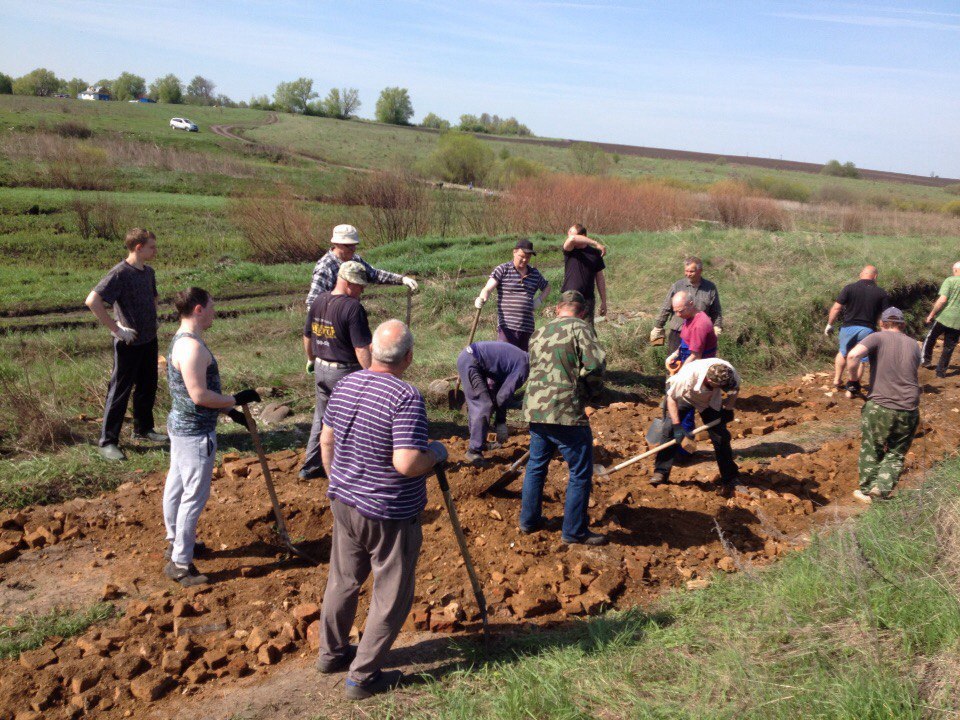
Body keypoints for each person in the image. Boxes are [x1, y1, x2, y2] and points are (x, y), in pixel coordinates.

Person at [316, 320, 447, 700]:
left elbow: (327, 440)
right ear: (408, 357)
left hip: (344, 503)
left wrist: (340, 482)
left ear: (372, 350)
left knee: (343, 580)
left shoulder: (345, 384)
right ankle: (362, 677)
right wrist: (437, 452)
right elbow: (407, 463)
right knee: (392, 594)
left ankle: (331, 653)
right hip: (389, 513)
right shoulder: (405, 397)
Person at [162, 287, 261, 586]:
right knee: (194, 495)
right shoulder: (191, 348)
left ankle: (176, 541)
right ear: (198, 309)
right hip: (195, 434)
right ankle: (180, 563)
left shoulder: (181, 341)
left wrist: (229, 413)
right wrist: (233, 399)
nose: (215, 311)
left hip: (182, 426)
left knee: (176, 485)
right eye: (211, 306)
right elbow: (199, 395)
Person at [519, 291, 607, 545]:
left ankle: (529, 520)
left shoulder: (539, 332)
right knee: (580, 471)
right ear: (581, 312)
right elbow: (594, 365)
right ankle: (574, 531)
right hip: (565, 408)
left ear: (558, 309)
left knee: (536, 465)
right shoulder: (581, 328)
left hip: (536, 408)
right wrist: (591, 395)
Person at [85, 228, 165, 461]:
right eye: (152, 247)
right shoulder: (120, 273)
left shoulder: (148, 272)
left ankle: (143, 429)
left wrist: (154, 318)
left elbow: (153, 298)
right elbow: (93, 301)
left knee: (147, 386)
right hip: (128, 343)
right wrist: (116, 329)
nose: (155, 250)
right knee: (119, 391)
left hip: (149, 339)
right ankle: (108, 441)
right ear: (138, 248)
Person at [300, 261, 373, 481]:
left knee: (321, 418)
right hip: (345, 372)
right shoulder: (353, 308)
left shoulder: (319, 300)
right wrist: (372, 374)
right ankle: (354, 468)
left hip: (322, 368)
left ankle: (311, 466)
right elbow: (361, 348)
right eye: (360, 286)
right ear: (348, 282)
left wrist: (311, 359)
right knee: (354, 420)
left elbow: (307, 336)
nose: (362, 290)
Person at [846, 307, 921, 503]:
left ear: (882, 323)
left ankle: (867, 490)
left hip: (881, 405)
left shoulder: (877, 337)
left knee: (872, 448)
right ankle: (882, 487)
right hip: (909, 408)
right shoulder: (914, 344)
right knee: (896, 453)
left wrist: (853, 381)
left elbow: (853, 356)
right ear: (903, 325)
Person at [651, 358, 741, 493]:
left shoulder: (730, 374)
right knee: (669, 429)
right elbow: (672, 398)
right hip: (685, 396)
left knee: (721, 437)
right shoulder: (686, 377)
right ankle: (661, 472)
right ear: (709, 380)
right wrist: (677, 426)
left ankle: (730, 477)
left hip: (710, 401)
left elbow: (734, 390)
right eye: (719, 387)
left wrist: (728, 409)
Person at [305, 224, 419, 308]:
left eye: (355, 245)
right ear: (336, 244)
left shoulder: (355, 260)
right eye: (349, 246)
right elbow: (313, 302)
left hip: (351, 315)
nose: (353, 249)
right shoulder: (325, 267)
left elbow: (374, 274)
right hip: (333, 323)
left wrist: (401, 279)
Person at [456, 341, 530, 465]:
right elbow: (502, 397)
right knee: (483, 405)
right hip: (471, 360)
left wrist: (499, 421)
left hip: (471, 359)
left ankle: (479, 441)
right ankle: (473, 451)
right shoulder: (523, 368)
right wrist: (501, 423)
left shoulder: (521, 359)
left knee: (482, 403)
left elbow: (500, 393)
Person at [824, 265, 890, 397]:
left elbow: (836, 308)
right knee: (860, 358)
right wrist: (885, 333)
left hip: (848, 327)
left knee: (843, 352)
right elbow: (885, 316)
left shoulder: (849, 288)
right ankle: (851, 390)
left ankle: (837, 380)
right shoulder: (881, 293)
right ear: (875, 277)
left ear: (861, 274)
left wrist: (829, 324)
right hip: (867, 329)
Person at [475, 238, 550, 351]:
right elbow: (488, 288)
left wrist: (539, 300)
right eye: (522, 256)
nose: (525, 260)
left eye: (528, 257)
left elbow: (547, 287)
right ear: (514, 252)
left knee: (523, 362)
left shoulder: (534, 273)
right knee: (505, 360)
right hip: (507, 328)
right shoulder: (503, 270)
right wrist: (481, 298)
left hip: (527, 328)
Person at [650, 256, 723, 353]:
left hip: (699, 333)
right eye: (686, 271)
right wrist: (658, 327)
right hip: (678, 333)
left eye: (691, 271)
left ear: (700, 271)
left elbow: (716, 311)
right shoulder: (677, 286)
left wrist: (717, 327)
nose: (688, 274)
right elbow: (666, 307)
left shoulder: (710, 288)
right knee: (675, 364)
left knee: (697, 363)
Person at [561, 224, 607, 324]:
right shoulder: (570, 250)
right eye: (568, 233)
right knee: (567, 329)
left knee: (587, 330)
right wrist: (596, 243)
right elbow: (572, 239)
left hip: (588, 298)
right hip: (570, 297)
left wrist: (604, 301)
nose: (569, 236)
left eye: (572, 233)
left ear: (583, 236)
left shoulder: (595, 253)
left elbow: (600, 278)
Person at [922, 261, 960, 378]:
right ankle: (941, 372)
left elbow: (942, 300)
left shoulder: (950, 281)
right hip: (957, 321)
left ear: (955, 270)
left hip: (944, 316)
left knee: (930, 337)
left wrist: (932, 314)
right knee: (949, 347)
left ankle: (925, 360)